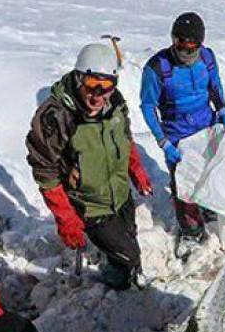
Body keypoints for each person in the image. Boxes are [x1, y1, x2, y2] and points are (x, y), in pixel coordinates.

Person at [27, 43, 153, 290]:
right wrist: (67, 219)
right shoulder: (57, 116)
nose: (97, 95)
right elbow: (46, 174)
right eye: (91, 85)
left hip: (119, 193)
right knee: (129, 256)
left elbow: (124, 137)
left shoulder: (115, 103)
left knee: (128, 239)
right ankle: (116, 284)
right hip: (90, 204)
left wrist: (135, 169)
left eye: (105, 86)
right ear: (78, 78)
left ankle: (119, 273)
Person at [140, 12, 225, 242]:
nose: (185, 52)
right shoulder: (157, 68)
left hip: (206, 126)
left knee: (211, 171)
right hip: (177, 132)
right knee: (185, 184)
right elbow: (148, 106)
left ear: (200, 44)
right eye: (180, 44)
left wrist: (223, 111)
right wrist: (163, 141)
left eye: (191, 47)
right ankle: (191, 232)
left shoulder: (207, 59)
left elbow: (215, 88)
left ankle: (210, 208)